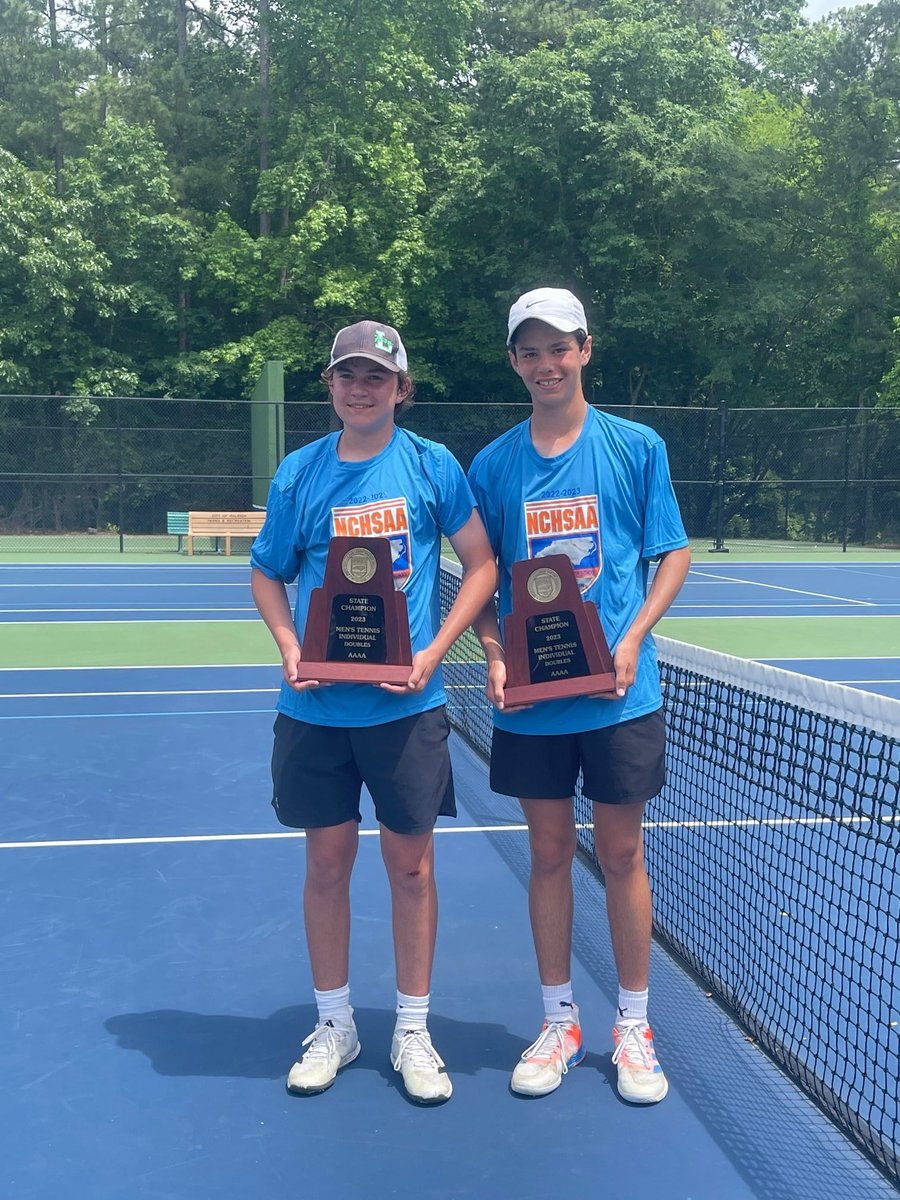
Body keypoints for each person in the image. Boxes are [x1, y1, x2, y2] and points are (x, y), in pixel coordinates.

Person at [251, 319, 497, 1105]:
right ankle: (335, 1024)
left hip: (407, 709)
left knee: (412, 869)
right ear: (330, 386)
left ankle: (413, 1030)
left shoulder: (432, 466)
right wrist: (290, 643)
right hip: (316, 709)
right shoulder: (299, 473)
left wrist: (435, 654)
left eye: (377, 378)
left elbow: (482, 564)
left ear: (401, 389)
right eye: (348, 376)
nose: (362, 389)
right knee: (325, 866)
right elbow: (267, 574)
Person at [468, 287, 691, 1104]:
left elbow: (670, 555)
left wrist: (630, 640)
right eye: (529, 351)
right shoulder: (492, 466)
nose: (545, 363)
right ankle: (559, 1020)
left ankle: (633, 1025)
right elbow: (485, 579)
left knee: (624, 854)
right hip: (531, 702)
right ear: (514, 361)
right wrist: (492, 649)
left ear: (586, 349)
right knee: (552, 854)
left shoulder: (636, 448)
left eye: (558, 347)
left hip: (621, 697)